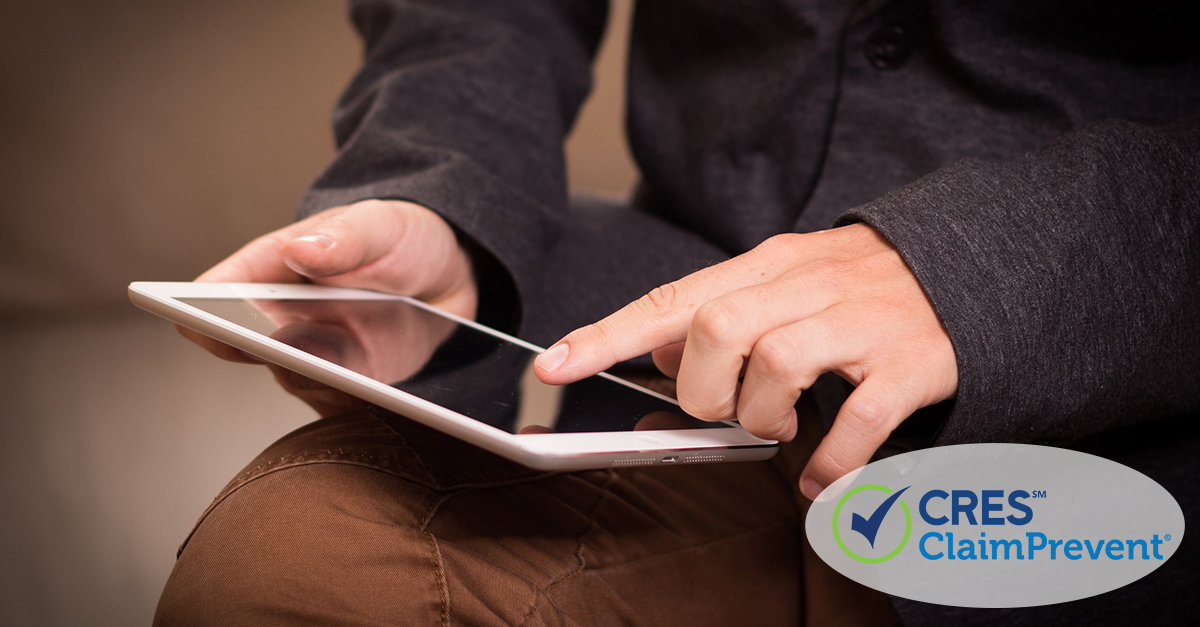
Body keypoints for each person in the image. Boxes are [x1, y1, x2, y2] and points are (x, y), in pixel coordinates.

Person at [158, 1, 1200, 625]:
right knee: (303, 562)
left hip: (1123, 446)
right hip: (690, 391)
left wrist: (983, 269)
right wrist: (450, 191)